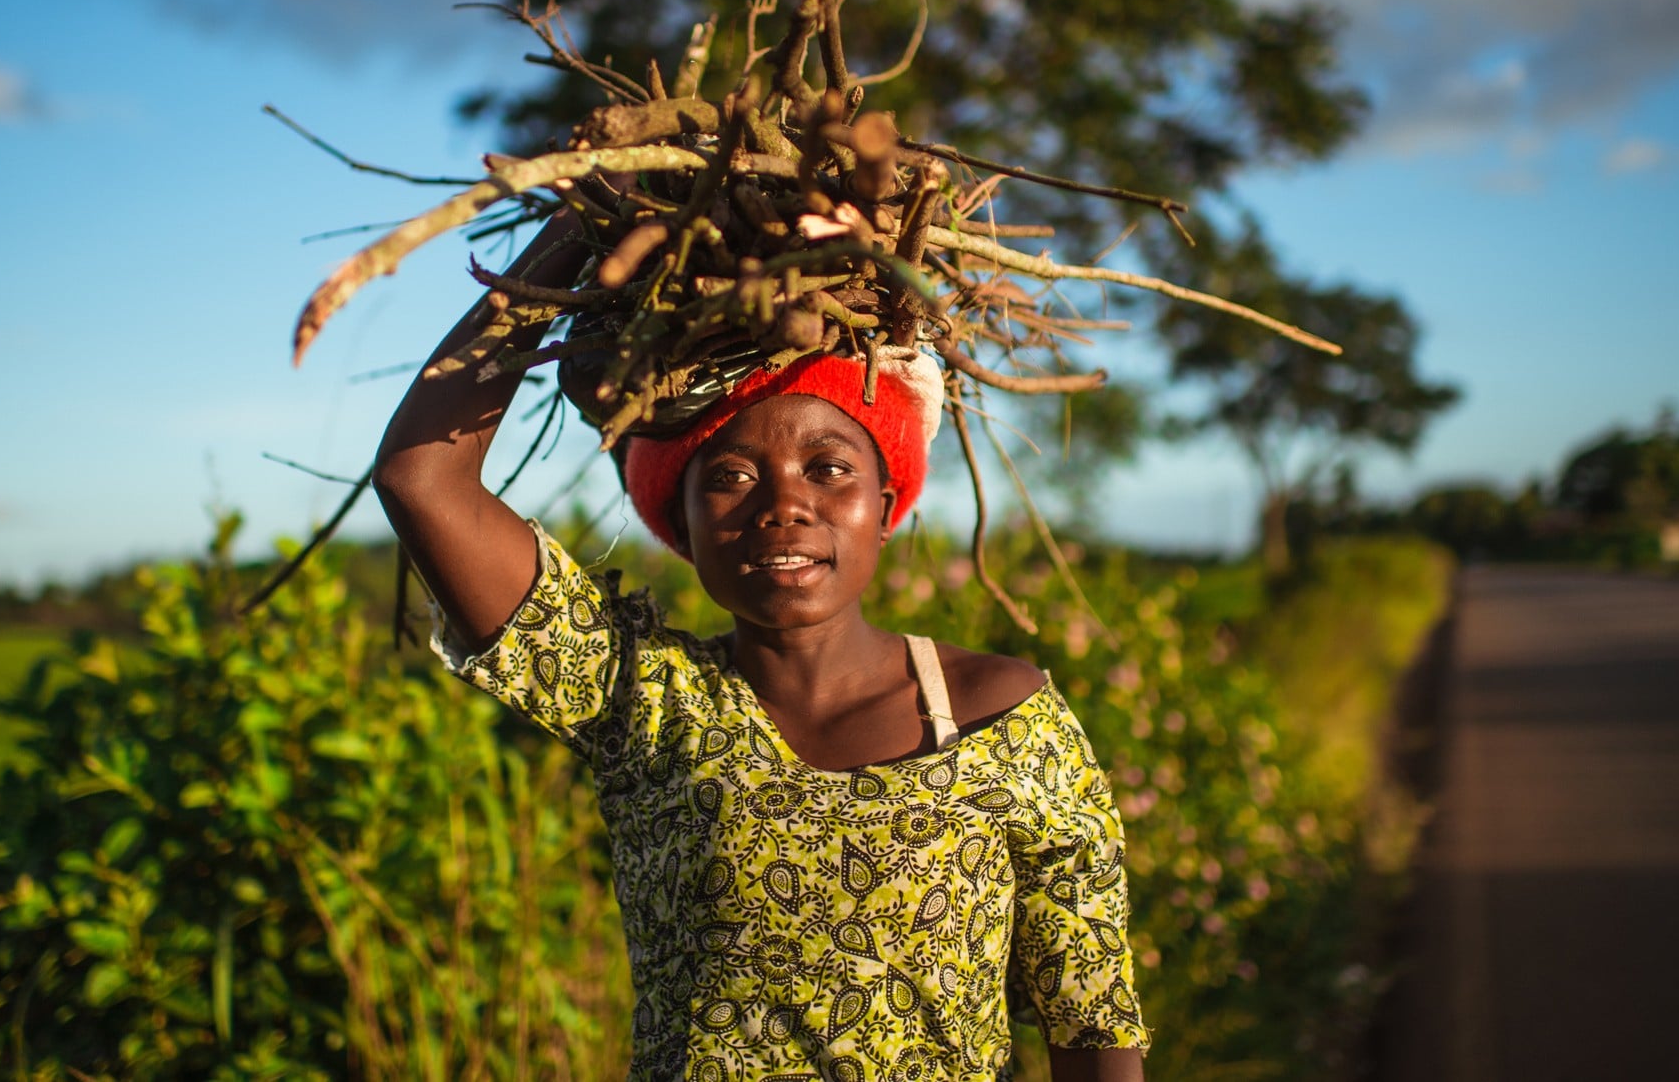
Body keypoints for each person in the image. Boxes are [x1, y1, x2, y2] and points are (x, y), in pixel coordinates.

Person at [375, 208, 1149, 1080]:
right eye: (732, 476)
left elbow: (1090, 1017)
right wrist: (580, 227)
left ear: (886, 505)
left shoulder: (1003, 720)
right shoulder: (642, 702)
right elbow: (422, 477)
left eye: (830, 468)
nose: (785, 506)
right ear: (682, 522)